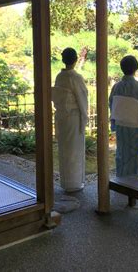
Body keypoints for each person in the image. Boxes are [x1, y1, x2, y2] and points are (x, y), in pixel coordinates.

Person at [109, 55, 138, 177]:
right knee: (135, 154)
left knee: (122, 152)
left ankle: (121, 178)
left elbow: (111, 105)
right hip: (136, 125)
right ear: (136, 68)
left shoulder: (116, 87)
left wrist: (114, 123)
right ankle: (134, 181)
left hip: (121, 125)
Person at [52, 48, 88, 192]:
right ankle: (75, 183)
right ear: (75, 60)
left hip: (62, 116)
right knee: (74, 149)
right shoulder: (76, 78)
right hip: (73, 117)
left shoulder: (59, 76)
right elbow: (82, 99)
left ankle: (66, 182)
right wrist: (84, 118)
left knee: (64, 149)